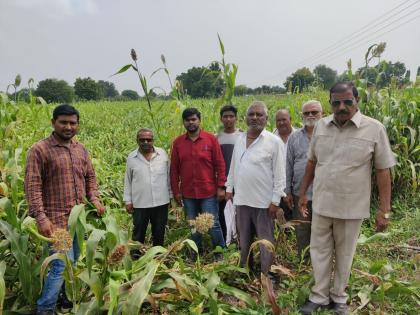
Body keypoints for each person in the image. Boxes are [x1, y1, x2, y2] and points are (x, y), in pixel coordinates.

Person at [298, 82, 395, 315]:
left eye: (347, 101)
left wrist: (384, 210)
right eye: (336, 102)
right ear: (330, 103)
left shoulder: (374, 129)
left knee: (344, 253)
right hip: (321, 203)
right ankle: (319, 296)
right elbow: (312, 162)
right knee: (319, 251)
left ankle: (339, 297)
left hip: (351, 206)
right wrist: (303, 194)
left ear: (357, 101)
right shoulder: (321, 126)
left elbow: (383, 170)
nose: (341, 107)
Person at [24, 104, 105, 315]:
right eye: (63, 122)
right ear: (53, 123)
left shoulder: (80, 149)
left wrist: (94, 199)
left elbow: (90, 177)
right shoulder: (39, 150)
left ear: (78, 125)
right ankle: (45, 309)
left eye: (73, 123)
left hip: (77, 220)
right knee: (61, 265)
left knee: (73, 261)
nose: (68, 126)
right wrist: (41, 217)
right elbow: (32, 186)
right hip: (56, 222)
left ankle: (63, 298)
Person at [226, 101, 286, 275]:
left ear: (266, 118)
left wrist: (275, 201)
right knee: (244, 239)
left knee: (265, 241)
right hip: (242, 200)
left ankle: (266, 274)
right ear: (246, 118)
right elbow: (234, 166)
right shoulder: (239, 139)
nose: (255, 118)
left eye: (259, 115)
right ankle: (245, 269)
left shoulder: (274, 142)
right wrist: (229, 187)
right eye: (251, 114)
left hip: (264, 202)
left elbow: (280, 175)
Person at [170, 108, 226, 257]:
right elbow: (174, 169)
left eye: (194, 119)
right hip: (188, 193)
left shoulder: (210, 139)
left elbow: (220, 164)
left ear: (199, 121)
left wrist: (221, 186)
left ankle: (219, 253)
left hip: (208, 191)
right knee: (193, 225)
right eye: (188, 120)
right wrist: (176, 191)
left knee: (213, 224)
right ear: (184, 123)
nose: (191, 122)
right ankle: (196, 252)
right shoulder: (178, 143)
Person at [284, 100, 323, 261]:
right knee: (302, 228)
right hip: (300, 193)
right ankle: (303, 261)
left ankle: (320, 261)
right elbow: (288, 165)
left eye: (314, 112)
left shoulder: (328, 135)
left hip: (323, 193)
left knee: (321, 230)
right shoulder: (294, 137)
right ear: (302, 115)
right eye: (307, 113)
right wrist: (287, 191)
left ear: (322, 114)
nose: (311, 115)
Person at [123, 128, 170, 258]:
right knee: (138, 232)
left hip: (161, 202)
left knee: (159, 231)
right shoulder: (131, 158)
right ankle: (135, 257)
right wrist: (128, 200)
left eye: (148, 140)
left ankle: (158, 256)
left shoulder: (162, 154)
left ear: (153, 140)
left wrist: (172, 196)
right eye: (142, 139)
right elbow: (127, 179)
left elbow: (168, 176)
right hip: (140, 203)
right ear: (137, 140)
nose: (145, 142)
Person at [216, 104, 242, 241]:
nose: (228, 119)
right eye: (225, 116)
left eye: (231, 116)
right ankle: (226, 240)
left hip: (240, 182)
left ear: (236, 118)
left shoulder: (242, 136)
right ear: (221, 119)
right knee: (222, 213)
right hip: (222, 182)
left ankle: (239, 239)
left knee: (239, 212)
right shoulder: (216, 138)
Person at [273, 109, 295, 220]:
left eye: (284, 120)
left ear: (291, 120)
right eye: (278, 120)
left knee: (295, 220)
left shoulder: (298, 137)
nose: (281, 123)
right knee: (279, 222)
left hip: (294, 188)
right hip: (275, 190)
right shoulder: (269, 139)